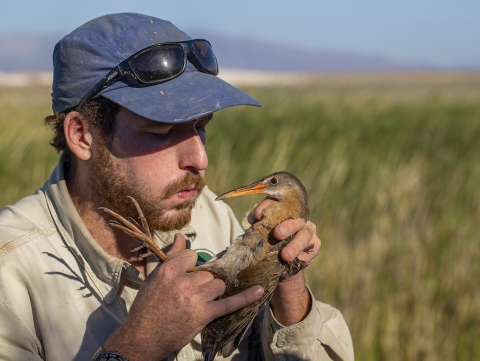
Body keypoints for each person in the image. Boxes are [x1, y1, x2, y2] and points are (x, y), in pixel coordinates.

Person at [0, 13, 354, 361]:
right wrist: (135, 348)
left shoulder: (210, 217)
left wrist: (286, 283)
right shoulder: (11, 274)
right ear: (82, 136)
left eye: (201, 127)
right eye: (162, 132)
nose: (200, 159)